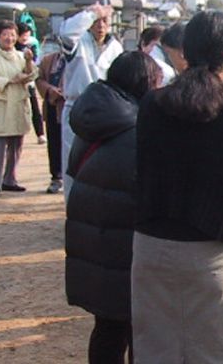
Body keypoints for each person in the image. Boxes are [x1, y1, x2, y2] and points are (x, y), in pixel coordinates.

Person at [132, 11, 223, 363]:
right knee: (211, 351)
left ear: (185, 53)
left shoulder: (150, 105)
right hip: (210, 249)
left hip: (150, 245)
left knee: (154, 348)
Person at [65, 51, 162, 364]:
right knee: (138, 330)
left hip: (92, 240)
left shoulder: (95, 119)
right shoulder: (136, 128)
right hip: (125, 247)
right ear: (145, 83)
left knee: (106, 328)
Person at [58, 3, 124, 199]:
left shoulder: (116, 47)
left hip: (106, 110)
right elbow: (67, 32)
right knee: (72, 159)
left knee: (101, 160)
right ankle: (72, 204)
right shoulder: (77, 42)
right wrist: (91, 13)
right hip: (77, 105)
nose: (100, 25)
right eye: (96, 21)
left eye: (105, 21)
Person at [0, 20, 38, 199]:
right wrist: (13, 79)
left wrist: (28, 61)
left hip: (18, 107)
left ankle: (9, 180)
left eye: (13, 34)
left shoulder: (21, 56)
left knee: (15, 147)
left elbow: (32, 75)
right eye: (6, 34)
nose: (9, 38)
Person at [36, 50, 68, 194]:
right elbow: (39, 78)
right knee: (54, 142)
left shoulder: (82, 58)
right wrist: (50, 89)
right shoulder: (49, 60)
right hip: (53, 106)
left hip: (73, 106)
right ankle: (56, 177)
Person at [16, 22, 46, 145]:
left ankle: (40, 134)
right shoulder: (12, 46)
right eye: (23, 35)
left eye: (27, 36)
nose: (25, 38)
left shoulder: (31, 46)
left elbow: (33, 65)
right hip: (15, 83)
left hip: (29, 82)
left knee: (34, 107)